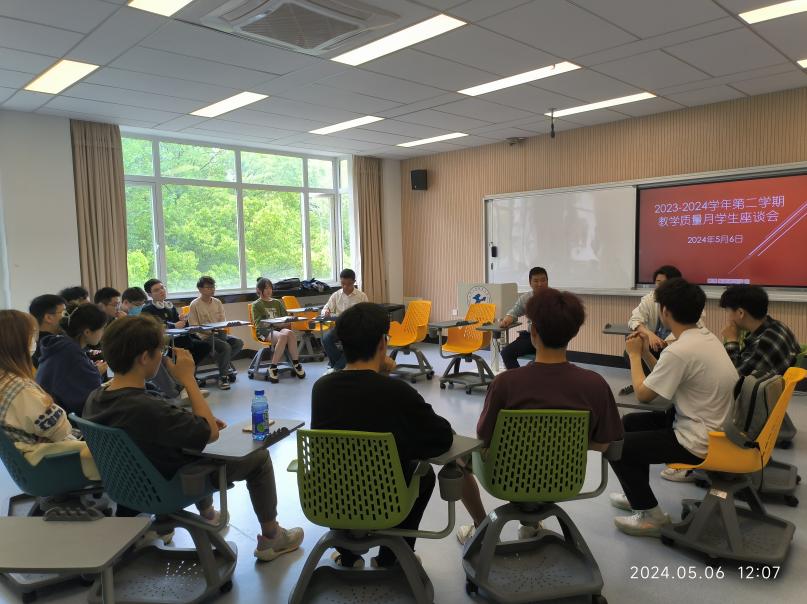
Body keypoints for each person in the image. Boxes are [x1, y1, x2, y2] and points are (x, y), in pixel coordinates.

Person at [82, 316, 303, 561]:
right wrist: (188, 379)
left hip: (127, 486)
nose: (162, 358)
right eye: (160, 352)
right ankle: (272, 537)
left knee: (187, 446)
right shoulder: (145, 408)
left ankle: (208, 514)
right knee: (259, 458)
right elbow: (211, 434)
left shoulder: (96, 397)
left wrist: (193, 420)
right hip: (169, 487)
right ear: (144, 357)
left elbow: (157, 422)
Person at [457, 289, 623, 544]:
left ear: (533, 331)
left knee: (456, 456)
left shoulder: (506, 383)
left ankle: (481, 527)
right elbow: (603, 445)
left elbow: (484, 439)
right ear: (573, 333)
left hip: (506, 477)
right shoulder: (595, 384)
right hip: (563, 478)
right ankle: (531, 525)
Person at [311, 302, 452, 568]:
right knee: (423, 474)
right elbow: (442, 437)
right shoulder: (398, 392)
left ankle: (348, 555)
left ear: (342, 344)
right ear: (382, 344)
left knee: (343, 469)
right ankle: (391, 556)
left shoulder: (322, 389)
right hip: (386, 501)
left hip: (330, 499)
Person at [608, 278, 737, 537]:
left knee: (617, 446)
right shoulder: (704, 337)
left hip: (699, 440)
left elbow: (644, 394)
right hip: (714, 427)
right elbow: (664, 376)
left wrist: (634, 355)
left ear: (665, 311)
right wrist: (646, 352)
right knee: (630, 423)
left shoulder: (680, 350)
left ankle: (651, 517)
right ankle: (637, 493)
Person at [35, 303, 108, 416]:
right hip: (63, 417)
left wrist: (92, 370)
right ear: (87, 332)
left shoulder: (59, 346)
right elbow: (91, 399)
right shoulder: (71, 354)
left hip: (49, 411)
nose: (103, 333)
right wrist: (96, 372)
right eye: (102, 329)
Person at [719, 285, 801, 377]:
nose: (727, 317)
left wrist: (732, 340)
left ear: (740, 313)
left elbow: (734, 377)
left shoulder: (764, 342)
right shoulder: (779, 325)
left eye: (728, 311)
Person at [187, 276, 244, 390]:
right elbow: (193, 326)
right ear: (200, 289)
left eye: (213, 287)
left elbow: (222, 321)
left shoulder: (217, 302)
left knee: (238, 342)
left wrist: (223, 329)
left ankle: (222, 362)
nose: (212, 289)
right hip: (204, 336)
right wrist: (209, 331)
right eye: (208, 287)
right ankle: (223, 377)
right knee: (226, 347)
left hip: (219, 333)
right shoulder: (194, 304)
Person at [141, 278, 211, 367]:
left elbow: (180, 324)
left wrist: (183, 320)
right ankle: (186, 370)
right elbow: (155, 326)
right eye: (156, 290)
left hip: (179, 339)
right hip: (164, 342)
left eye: (162, 288)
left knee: (205, 346)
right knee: (189, 346)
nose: (161, 291)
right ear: (149, 294)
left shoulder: (169, 306)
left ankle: (188, 369)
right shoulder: (147, 309)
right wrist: (174, 325)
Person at [250, 278, 305, 382]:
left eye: (270, 288)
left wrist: (291, 319)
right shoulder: (256, 304)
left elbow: (285, 319)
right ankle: (273, 367)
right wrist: (276, 324)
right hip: (263, 332)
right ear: (259, 290)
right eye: (266, 288)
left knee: (290, 333)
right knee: (283, 336)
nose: (269, 290)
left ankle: (296, 363)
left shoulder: (277, 302)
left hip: (278, 329)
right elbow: (259, 324)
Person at [499, 266, 549, 370]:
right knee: (506, 353)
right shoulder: (526, 298)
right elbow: (514, 311)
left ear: (547, 281)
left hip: (550, 338)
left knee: (541, 363)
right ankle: (517, 378)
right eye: (536, 281)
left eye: (543, 280)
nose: (540, 284)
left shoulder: (556, 297)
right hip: (531, 337)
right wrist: (507, 319)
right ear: (530, 283)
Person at [320, 269, 368, 372]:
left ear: (354, 282)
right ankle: (340, 366)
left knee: (352, 343)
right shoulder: (336, 295)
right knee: (326, 339)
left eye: (349, 284)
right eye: (343, 284)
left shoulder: (361, 296)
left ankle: (336, 368)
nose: (345, 287)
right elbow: (325, 309)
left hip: (356, 329)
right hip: (340, 328)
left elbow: (367, 315)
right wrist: (326, 312)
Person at [28, 294, 66, 368]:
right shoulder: (53, 344)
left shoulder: (35, 342)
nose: (68, 317)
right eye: (64, 313)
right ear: (48, 318)